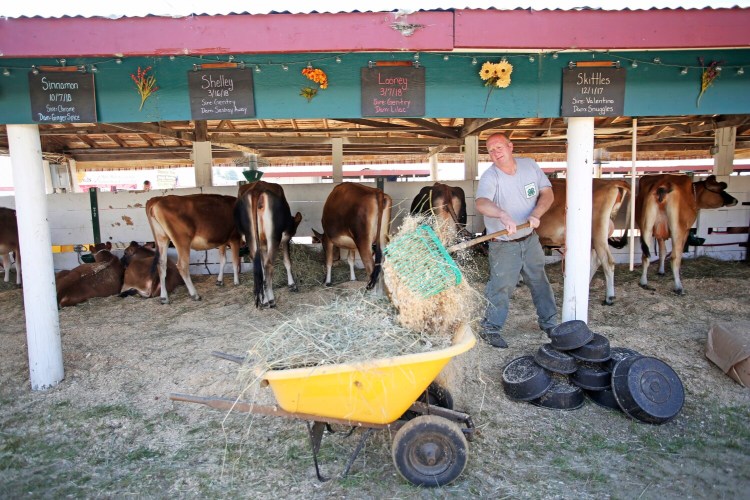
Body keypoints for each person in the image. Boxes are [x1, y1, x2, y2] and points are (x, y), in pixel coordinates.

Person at [475, 133, 558, 348]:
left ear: (511, 147)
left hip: (530, 239)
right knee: (501, 287)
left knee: (540, 282)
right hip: (504, 245)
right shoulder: (490, 177)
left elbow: (547, 193)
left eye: (499, 147)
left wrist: (537, 214)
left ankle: (549, 324)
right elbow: (482, 203)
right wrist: (502, 214)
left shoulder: (529, 166)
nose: (496, 152)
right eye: (491, 150)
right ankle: (491, 328)